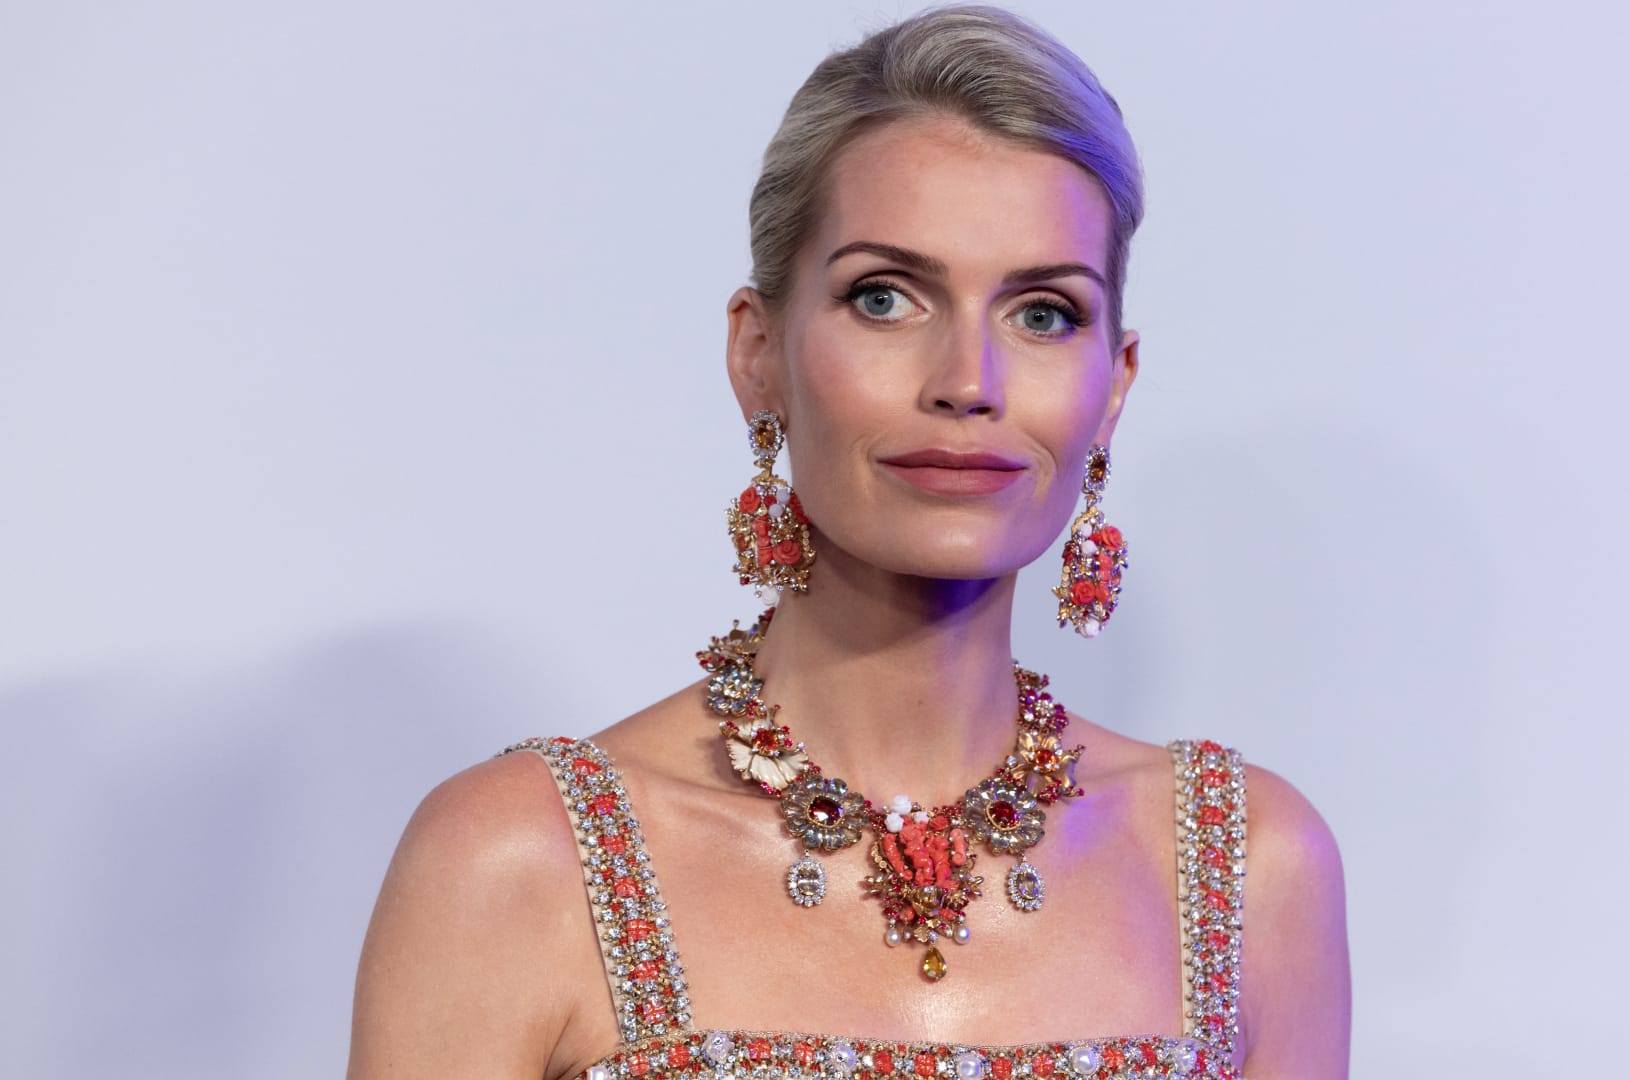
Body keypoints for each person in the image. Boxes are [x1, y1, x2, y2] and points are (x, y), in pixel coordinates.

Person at [347, 5, 1350, 1078]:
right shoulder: (517, 862)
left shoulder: (1248, 868)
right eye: (885, 298)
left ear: (1114, 386)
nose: (968, 383)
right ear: (759, 353)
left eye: (1044, 314)